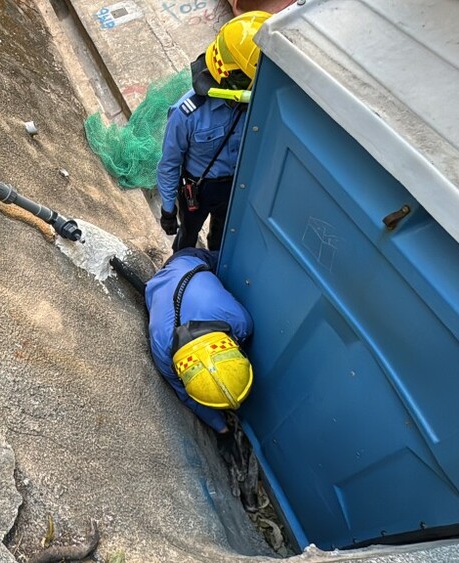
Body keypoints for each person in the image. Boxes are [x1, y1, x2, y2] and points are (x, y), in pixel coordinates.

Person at [156, 11, 270, 251]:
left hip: (235, 186)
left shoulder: (256, 105)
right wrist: (168, 209)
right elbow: (169, 164)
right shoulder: (186, 114)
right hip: (198, 190)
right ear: (232, 77)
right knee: (187, 238)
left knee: (222, 239)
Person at [145, 247, 253, 457]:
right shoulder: (161, 349)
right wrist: (221, 429)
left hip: (188, 267)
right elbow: (187, 396)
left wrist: (222, 429)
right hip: (180, 268)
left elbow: (187, 396)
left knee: (229, 260)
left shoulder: (240, 321)